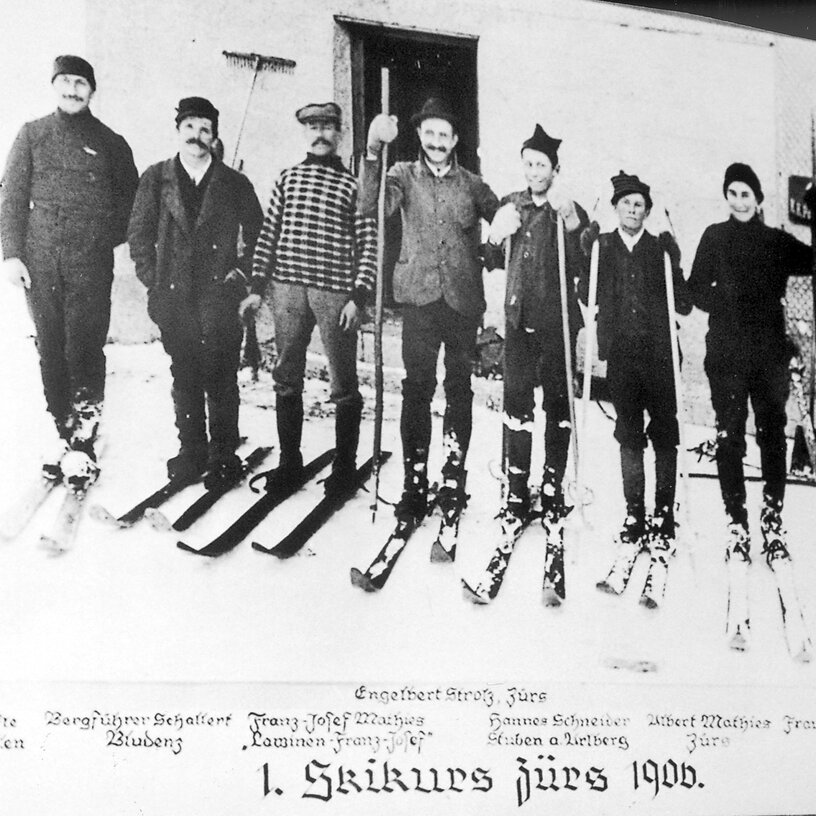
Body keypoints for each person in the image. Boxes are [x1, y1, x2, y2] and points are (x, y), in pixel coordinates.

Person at [1, 55, 138, 488]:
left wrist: (102, 240)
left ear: (92, 90)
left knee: (84, 347)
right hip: (39, 264)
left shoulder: (111, 143)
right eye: (65, 82)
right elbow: (11, 197)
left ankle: (83, 440)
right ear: (54, 86)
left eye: (81, 83)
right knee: (51, 348)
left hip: (90, 264)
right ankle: (61, 433)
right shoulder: (32, 134)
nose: (73, 90)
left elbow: (130, 206)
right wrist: (11, 254)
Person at [362, 97, 499, 526]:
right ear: (418, 135)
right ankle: (414, 484)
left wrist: (507, 227)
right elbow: (371, 206)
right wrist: (370, 150)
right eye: (430, 134)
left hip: (462, 304)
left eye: (445, 135)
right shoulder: (401, 174)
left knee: (459, 390)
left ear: (455, 139)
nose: (437, 142)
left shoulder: (473, 184)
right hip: (419, 301)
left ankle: (453, 481)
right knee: (417, 389)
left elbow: (507, 220)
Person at [128, 97, 263, 488]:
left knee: (221, 377)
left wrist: (242, 275)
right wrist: (154, 281)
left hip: (220, 297)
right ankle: (191, 452)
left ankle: (223, 456)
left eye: (205, 129)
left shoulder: (234, 183)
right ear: (178, 131)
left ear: (214, 136)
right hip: (173, 297)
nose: (197, 136)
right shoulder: (156, 178)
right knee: (184, 375)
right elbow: (138, 235)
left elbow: (259, 236)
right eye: (190, 127)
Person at [246, 102, 377, 497]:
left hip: (334, 293)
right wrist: (257, 286)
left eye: (328, 128)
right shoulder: (288, 178)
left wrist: (360, 295)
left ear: (340, 135)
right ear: (305, 133)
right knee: (286, 375)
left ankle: (344, 468)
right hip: (287, 290)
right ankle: (290, 463)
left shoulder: (353, 186)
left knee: (342, 380)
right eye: (313, 127)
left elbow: (368, 242)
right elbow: (269, 233)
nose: (320, 134)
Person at [689, 162, 812, 564]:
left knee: (772, 432)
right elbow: (693, 293)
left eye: (746, 194)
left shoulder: (776, 241)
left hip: (768, 353)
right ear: (726, 197)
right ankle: (736, 522)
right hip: (726, 352)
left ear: (758, 200)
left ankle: (772, 518)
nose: (739, 201)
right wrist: (719, 298)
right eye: (732, 193)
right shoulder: (714, 237)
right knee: (729, 434)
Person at [579, 171, 691, 594]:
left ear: (646, 209)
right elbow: (586, 297)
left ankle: (663, 514)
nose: (632, 209)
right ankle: (634, 514)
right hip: (622, 357)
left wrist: (674, 260)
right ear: (615, 208)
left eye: (639, 203)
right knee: (628, 433)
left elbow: (682, 304)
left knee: (664, 433)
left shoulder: (657, 249)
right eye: (626, 203)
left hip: (661, 356)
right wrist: (585, 250)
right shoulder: (604, 247)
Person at [483, 124, 588, 536]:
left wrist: (573, 222)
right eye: (528, 163)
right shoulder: (512, 204)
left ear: (555, 168)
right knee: (516, 402)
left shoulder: (565, 207)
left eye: (541, 164)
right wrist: (495, 233)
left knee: (558, 404)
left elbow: (584, 264)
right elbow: (491, 258)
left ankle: (551, 485)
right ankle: (515, 486)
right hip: (517, 319)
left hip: (557, 321)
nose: (533, 171)